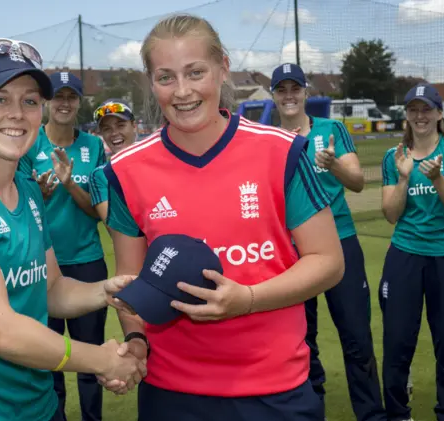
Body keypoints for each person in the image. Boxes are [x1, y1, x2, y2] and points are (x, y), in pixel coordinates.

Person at [99, 14, 345, 421]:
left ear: (223, 67)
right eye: (165, 77)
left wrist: (247, 300)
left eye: (196, 72)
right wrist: (137, 344)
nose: (182, 91)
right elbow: (132, 288)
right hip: (171, 393)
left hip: (274, 389)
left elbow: (328, 261)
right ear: (150, 81)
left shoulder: (281, 152)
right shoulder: (125, 171)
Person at [0, 38, 145, 421]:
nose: (17, 113)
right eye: (0, 99)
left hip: (38, 408)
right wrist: (99, 359)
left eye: (30, 101)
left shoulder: (28, 190)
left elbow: (50, 289)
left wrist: (105, 291)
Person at [271, 63, 386, 421]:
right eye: (282, 89)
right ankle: (311, 410)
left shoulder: (331, 129)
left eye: (295, 88)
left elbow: (356, 182)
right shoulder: (269, 140)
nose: (289, 95)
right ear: (274, 96)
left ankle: (371, 415)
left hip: (341, 242)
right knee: (303, 341)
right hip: (293, 250)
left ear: (305, 92)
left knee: (356, 336)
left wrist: (334, 164)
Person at [18, 71, 108, 421]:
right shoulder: (30, 143)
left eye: (71, 97)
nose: (64, 103)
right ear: (47, 102)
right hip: (41, 265)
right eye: (58, 96)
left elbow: (97, 212)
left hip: (86, 262)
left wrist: (70, 183)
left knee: (90, 356)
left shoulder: (94, 146)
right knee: (48, 358)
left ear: (78, 102)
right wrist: (36, 196)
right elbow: (15, 205)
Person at [380, 83, 444, 421]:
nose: (420, 116)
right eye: (414, 110)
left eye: (427, 109)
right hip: (405, 253)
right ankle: (398, 414)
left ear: (439, 114)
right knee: (397, 341)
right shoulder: (394, 157)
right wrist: (402, 178)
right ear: (406, 116)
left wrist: (439, 179)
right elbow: (391, 214)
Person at [89, 99, 138, 221]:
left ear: (134, 126)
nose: (114, 133)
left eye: (120, 125)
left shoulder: (157, 161)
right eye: (107, 129)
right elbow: (116, 229)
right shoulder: (101, 175)